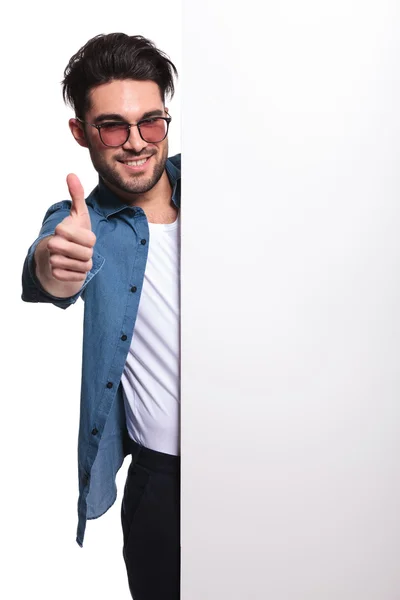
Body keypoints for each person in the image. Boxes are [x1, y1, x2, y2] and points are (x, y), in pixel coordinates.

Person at [21, 32, 181, 600]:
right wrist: (53, 264)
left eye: (151, 122)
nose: (136, 142)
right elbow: (44, 267)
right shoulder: (81, 225)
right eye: (113, 125)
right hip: (164, 488)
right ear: (81, 132)